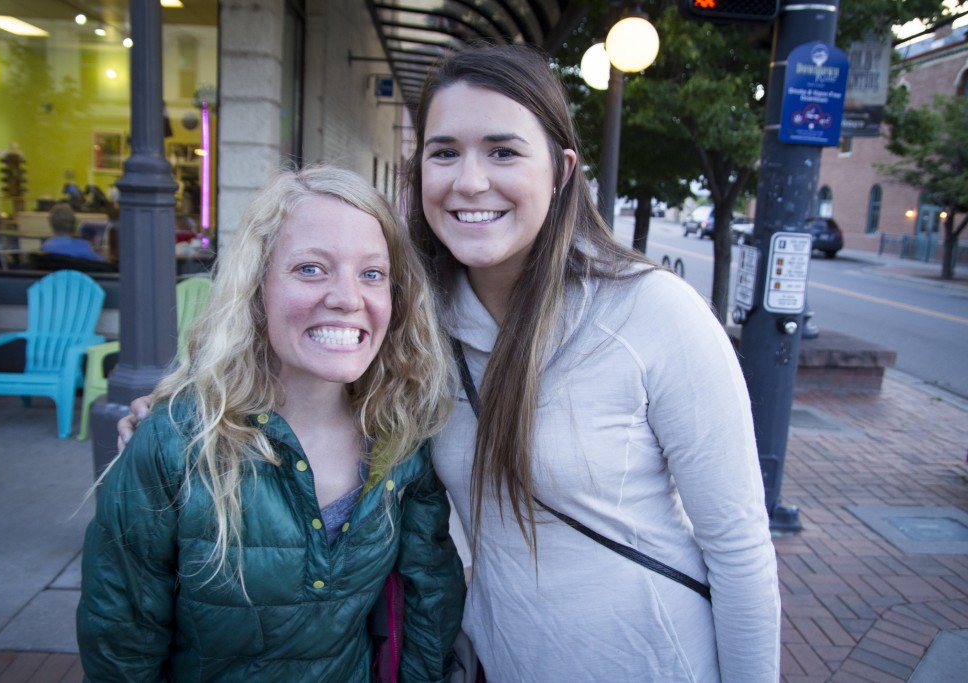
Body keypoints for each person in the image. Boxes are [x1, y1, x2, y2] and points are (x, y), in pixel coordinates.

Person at [119, 45, 781, 682]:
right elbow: (295, 363)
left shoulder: (655, 313)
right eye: (445, 152)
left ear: (563, 169)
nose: (469, 180)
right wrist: (181, 416)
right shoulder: (412, 318)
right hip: (499, 663)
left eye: (502, 150)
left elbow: (740, 549)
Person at [79, 166, 466, 681]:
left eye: (372, 274)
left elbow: (429, 603)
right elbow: (120, 641)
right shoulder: (177, 442)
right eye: (310, 268)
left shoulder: (400, 439)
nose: (348, 298)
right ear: (256, 286)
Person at [41, 202, 107, 262]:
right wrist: (100, 252)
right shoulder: (83, 246)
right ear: (74, 223)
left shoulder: (46, 246)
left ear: (51, 224)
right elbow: (102, 264)